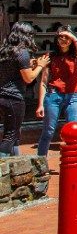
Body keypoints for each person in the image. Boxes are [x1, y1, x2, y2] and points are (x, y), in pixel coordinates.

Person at [36, 28, 77, 157]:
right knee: (48, 130)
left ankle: (73, 161)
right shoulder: (51, 56)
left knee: (74, 130)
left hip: (74, 95)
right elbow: (43, 81)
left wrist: (73, 37)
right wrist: (41, 104)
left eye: (67, 38)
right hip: (54, 94)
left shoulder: (75, 55)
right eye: (61, 37)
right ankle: (41, 162)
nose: (64, 40)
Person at [0, 22, 50, 156]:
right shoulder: (22, 53)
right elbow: (29, 78)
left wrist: (31, 63)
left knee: (13, 133)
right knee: (11, 135)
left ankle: (16, 161)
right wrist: (40, 65)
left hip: (2, 96)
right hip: (14, 98)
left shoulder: (5, 50)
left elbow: (13, 68)